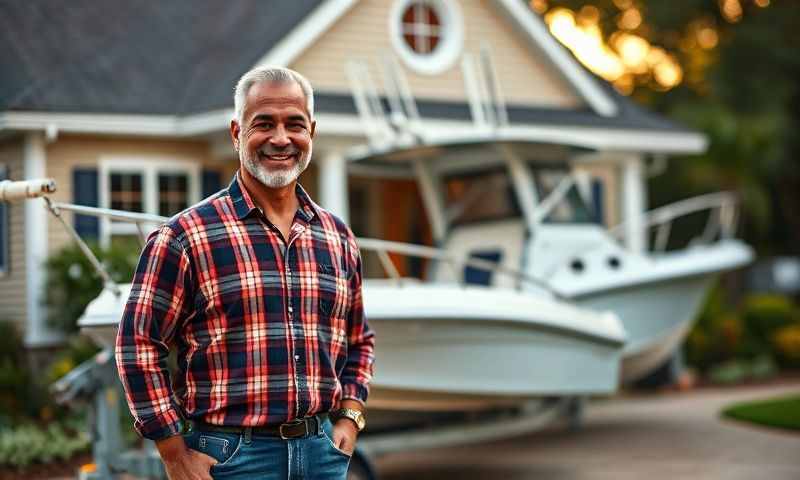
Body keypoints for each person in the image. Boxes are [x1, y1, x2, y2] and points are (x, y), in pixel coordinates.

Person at [115, 66, 375, 480]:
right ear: (237, 133)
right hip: (229, 459)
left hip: (321, 452)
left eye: (295, 124)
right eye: (263, 124)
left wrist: (351, 416)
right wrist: (172, 451)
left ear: (312, 132)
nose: (280, 138)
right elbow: (137, 346)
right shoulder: (185, 236)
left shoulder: (337, 236)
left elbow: (358, 338)